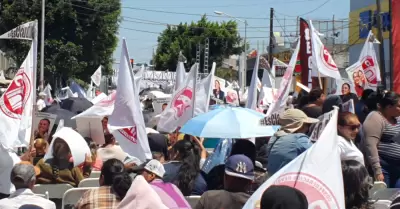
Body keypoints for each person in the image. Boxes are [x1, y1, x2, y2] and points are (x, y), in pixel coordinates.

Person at [361, 91, 400, 188]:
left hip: (397, 168)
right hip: (384, 169)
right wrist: (378, 171)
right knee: (385, 198)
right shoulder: (375, 118)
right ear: (388, 107)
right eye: (398, 106)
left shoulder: (396, 118)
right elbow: (371, 146)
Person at [266, 109, 318, 175]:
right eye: (307, 125)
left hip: (271, 178)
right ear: (300, 125)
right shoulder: (299, 139)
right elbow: (318, 155)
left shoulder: (275, 137)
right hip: (288, 180)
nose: (308, 128)